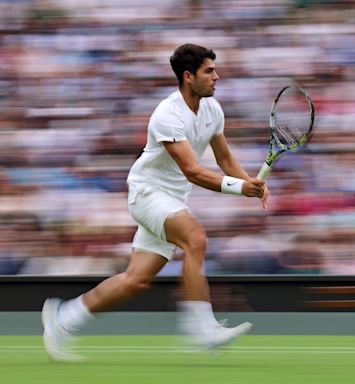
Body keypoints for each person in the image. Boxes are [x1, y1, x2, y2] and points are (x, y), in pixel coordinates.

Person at [41, 43, 269, 362]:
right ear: (188, 77)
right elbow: (192, 170)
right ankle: (202, 328)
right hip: (147, 193)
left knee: (136, 280)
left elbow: (224, 157)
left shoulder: (213, 110)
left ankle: (64, 318)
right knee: (195, 239)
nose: (217, 77)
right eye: (209, 71)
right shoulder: (167, 114)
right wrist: (238, 187)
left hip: (171, 199)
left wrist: (249, 182)